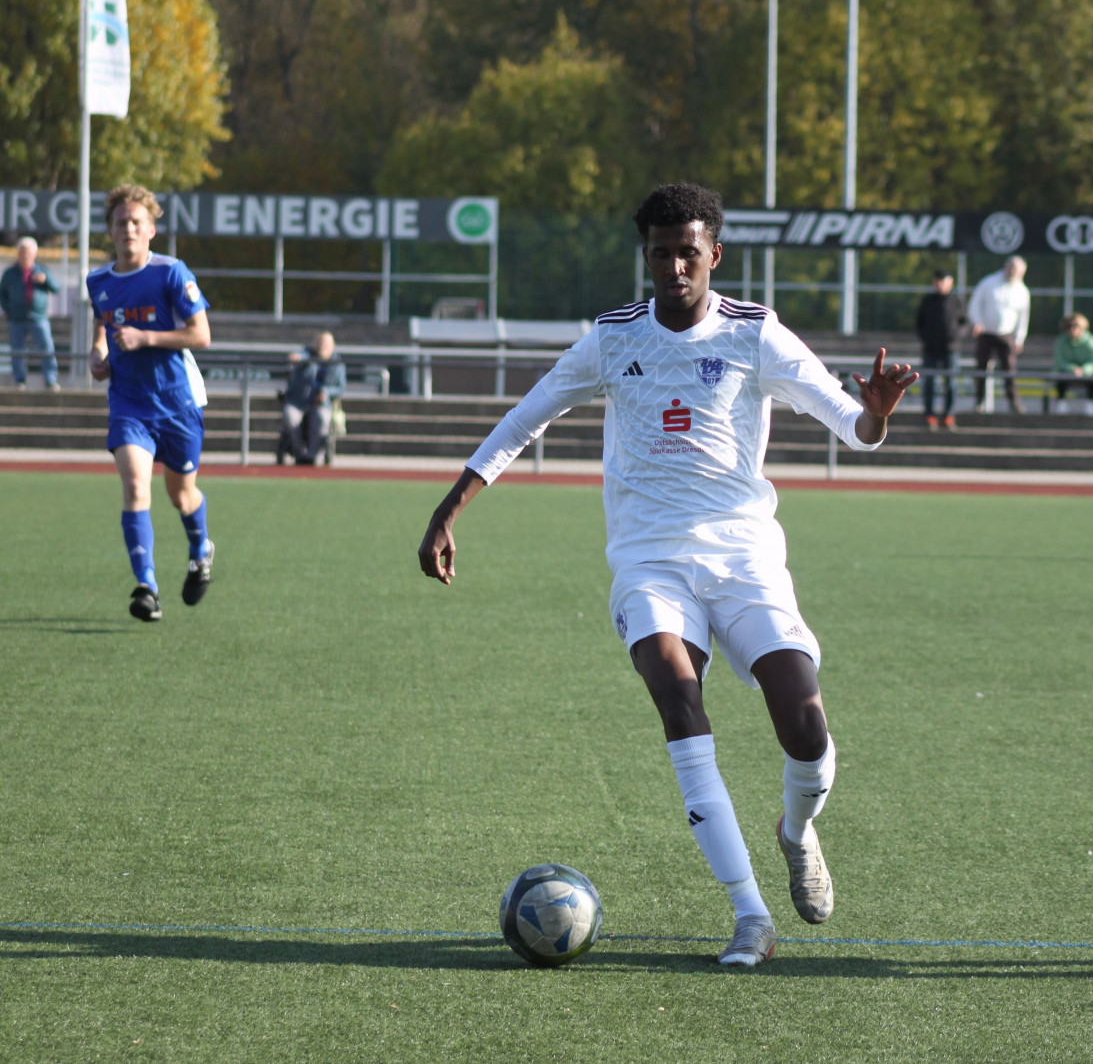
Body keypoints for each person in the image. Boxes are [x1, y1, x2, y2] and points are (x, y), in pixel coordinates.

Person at [417, 184, 917, 969]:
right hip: (649, 561)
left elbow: (852, 427)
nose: (676, 265)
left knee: (806, 722)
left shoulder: (757, 333)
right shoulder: (613, 338)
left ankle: (795, 829)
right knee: (680, 701)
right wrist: (450, 508)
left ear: (715, 254)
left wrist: (878, 411)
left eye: (690, 251)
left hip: (745, 557)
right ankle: (751, 915)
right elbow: (527, 418)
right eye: (662, 252)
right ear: (646, 255)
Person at [87, 184, 215, 622]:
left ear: (152, 230)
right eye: (121, 222)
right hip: (129, 403)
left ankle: (201, 549)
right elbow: (103, 326)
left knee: (181, 496)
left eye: (136, 222)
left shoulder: (172, 273)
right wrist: (98, 354)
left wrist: (146, 338)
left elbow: (201, 335)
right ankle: (147, 587)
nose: (128, 229)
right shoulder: (99, 281)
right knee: (136, 488)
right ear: (110, 230)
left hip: (177, 402)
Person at [968, 255, 1030, 415]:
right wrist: (977, 322)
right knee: (981, 369)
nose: (1013, 273)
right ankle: (979, 402)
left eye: (1018, 271)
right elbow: (974, 303)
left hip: (1006, 335)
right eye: (1012, 269)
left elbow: (1023, 317)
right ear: (1006, 267)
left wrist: (1019, 338)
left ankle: (1013, 402)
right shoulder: (989, 283)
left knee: (1009, 370)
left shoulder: (1022, 291)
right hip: (986, 333)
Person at [1, 236, 62, 391]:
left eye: (28, 253)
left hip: (38, 317)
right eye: (22, 253)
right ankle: (19, 380)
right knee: (18, 350)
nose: (25, 256)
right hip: (16, 318)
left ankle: (50, 380)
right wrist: (8, 308)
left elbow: (56, 288)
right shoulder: (10, 273)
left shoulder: (42, 270)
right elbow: (2, 293)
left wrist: (46, 280)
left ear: (34, 254)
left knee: (46, 347)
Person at [279, 330, 346, 465]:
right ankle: (299, 453)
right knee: (290, 417)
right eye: (319, 342)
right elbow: (300, 356)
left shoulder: (337, 363)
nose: (322, 346)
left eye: (325, 343)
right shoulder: (307, 355)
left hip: (321, 404)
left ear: (332, 346)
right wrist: (297, 358)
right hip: (299, 402)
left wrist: (326, 392)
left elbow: (340, 388)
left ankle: (312, 455)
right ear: (314, 344)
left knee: (321, 419)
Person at [914, 269, 965, 429]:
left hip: (950, 348)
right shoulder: (928, 300)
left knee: (951, 383)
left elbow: (965, 323)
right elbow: (919, 322)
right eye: (938, 280)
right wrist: (926, 337)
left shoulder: (957, 301)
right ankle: (929, 415)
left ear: (951, 282)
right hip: (930, 348)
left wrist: (956, 337)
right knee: (928, 382)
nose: (940, 284)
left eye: (944, 280)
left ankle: (949, 415)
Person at [1050, 313, 1093, 415]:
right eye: (1069, 326)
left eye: (1076, 326)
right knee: (1059, 376)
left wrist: (1083, 370)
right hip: (1067, 372)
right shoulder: (1061, 342)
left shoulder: (1091, 341)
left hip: (1086, 373)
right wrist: (1072, 369)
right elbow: (1060, 361)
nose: (1073, 329)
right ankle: (1061, 403)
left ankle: (1091, 404)